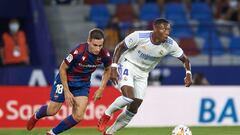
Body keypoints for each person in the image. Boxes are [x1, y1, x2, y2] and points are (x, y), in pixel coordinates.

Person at [97, 18, 192, 135]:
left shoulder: (170, 44)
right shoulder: (139, 36)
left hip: (143, 73)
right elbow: (120, 47)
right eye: (163, 29)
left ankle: (109, 133)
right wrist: (114, 67)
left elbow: (185, 59)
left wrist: (188, 73)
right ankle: (106, 115)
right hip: (128, 64)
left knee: (133, 108)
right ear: (155, 29)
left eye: (168, 29)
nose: (167, 32)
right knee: (128, 97)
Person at [26, 28, 112, 135]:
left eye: (100, 45)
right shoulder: (78, 51)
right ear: (88, 41)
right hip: (65, 80)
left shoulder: (104, 54)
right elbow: (62, 68)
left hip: (82, 84)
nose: (98, 49)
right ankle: (36, 115)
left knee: (79, 116)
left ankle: (52, 133)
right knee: (52, 111)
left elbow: (108, 69)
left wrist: (101, 88)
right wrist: (67, 91)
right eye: (95, 45)